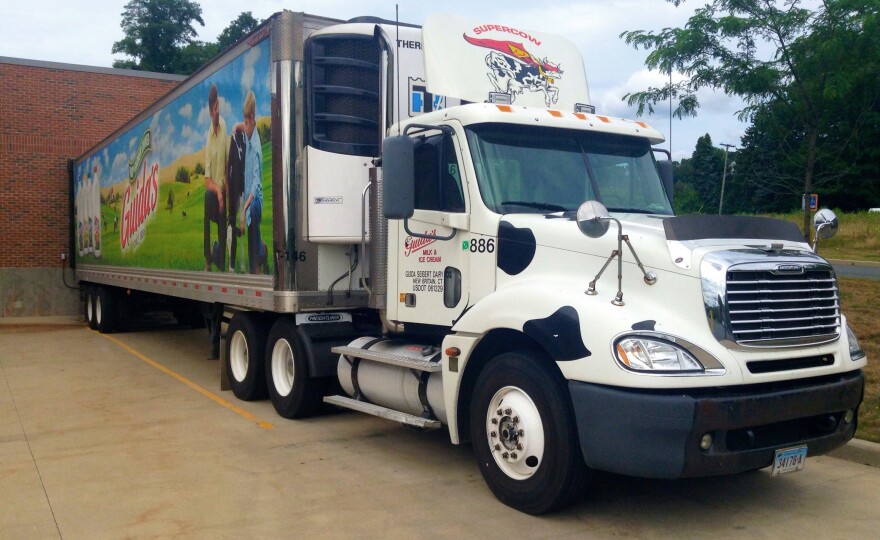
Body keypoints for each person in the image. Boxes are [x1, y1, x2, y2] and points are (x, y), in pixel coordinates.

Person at [235, 91, 265, 274]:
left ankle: (257, 263)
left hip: (255, 200)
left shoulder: (256, 149)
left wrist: (244, 208)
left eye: (246, 123)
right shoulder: (248, 132)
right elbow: (241, 127)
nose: (244, 127)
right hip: (249, 199)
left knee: (252, 211)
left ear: (253, 119)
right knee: (249, 224)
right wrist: (237, 127)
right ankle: (260, 252)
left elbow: (257, 185)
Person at [203, 83, 228, 271]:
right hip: (214, 191)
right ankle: (207, 260)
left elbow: (227, 166)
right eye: (214, 109)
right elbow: (207, 180)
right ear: (210, 112)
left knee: (223, 220)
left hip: (224, 188)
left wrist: (224, 192)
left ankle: (221, 262)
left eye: (218, 107)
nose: (217, 112)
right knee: (207, 198)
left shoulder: (224, 127)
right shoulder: (208, 137)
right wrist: (218, 192)